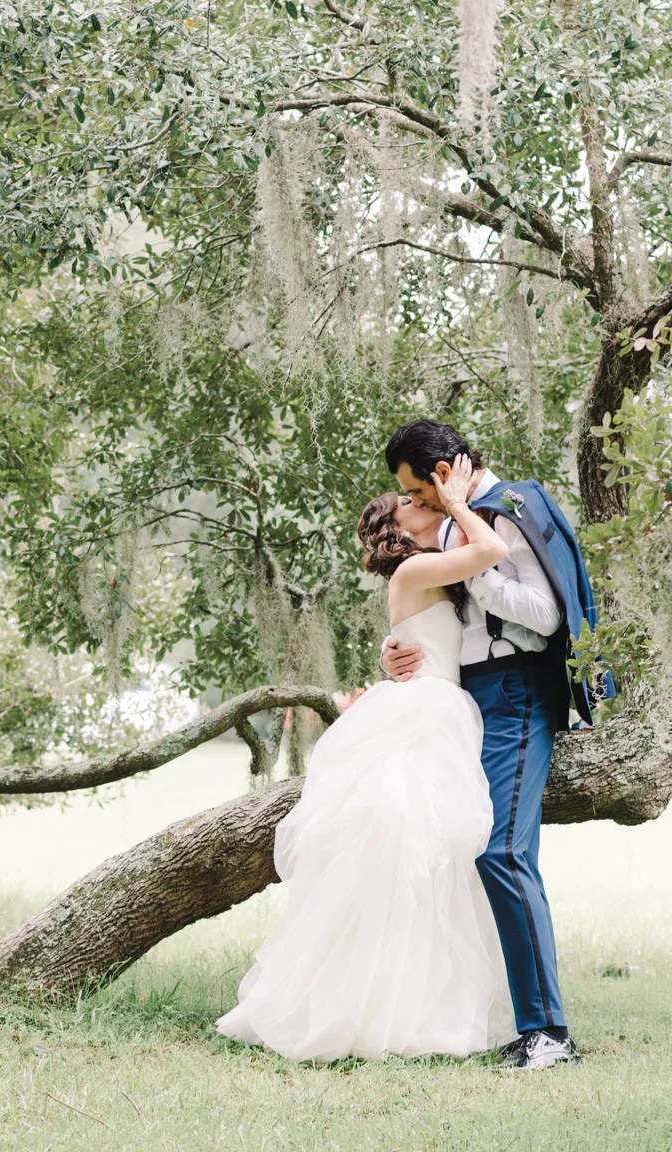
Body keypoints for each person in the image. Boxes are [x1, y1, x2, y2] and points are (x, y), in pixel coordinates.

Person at [216, 455, 514, 1062]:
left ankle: (422, 1006)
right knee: (404, 851)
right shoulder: (414, 570)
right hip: (423, 715)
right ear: (394, 527)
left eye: (425, 497)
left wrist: (392, 650)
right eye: (411, 501)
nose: (424, 502)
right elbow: (491, 550)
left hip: (436, 707)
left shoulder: (430, 572)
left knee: (438, 861)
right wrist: (457, 503)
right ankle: (367, 1007)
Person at [380, 420, 579, 1071]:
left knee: (502, 851)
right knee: (469, 848)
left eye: (412, 488)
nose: (409, 501)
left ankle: (548, 1030)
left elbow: (545, 616)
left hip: (517, 692)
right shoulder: (460, 522)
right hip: (471, 699)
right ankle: (520, 1023)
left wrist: (478, 568)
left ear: (440, 475)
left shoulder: (504, 511)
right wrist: (400, 649)